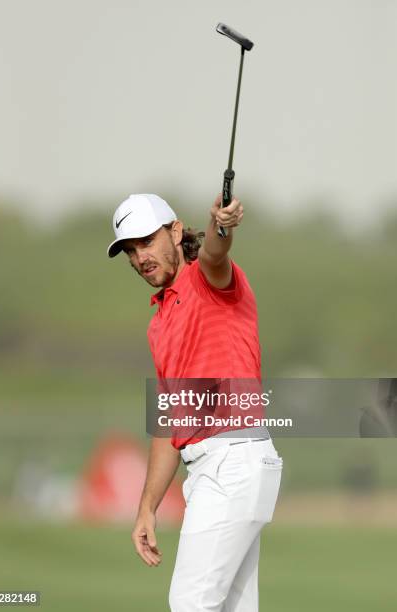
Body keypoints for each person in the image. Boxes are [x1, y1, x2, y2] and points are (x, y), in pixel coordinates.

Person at [107, 193, 283, 611]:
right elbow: (169, 422)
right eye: (131, 251)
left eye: (147, 241)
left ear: (175, 231)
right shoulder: (160, 322)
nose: (140, 257)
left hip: (233, 463)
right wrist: (147, 507)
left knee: (190, 603)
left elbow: (215, 256)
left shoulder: (207, 281)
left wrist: (222, 226)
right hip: (214, 469)